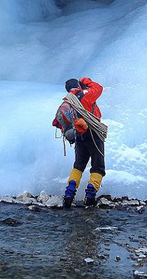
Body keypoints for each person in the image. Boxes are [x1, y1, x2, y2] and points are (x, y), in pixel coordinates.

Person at [59, 76, 105, 208]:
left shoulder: (68, 101)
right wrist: (86, 81)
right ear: (78, 86)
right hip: (94, 133)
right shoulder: (85, 94)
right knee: (98, 166)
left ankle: (69, 195)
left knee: (78, 166)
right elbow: (99, 88)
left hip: (79, 136)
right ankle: (90, 197)